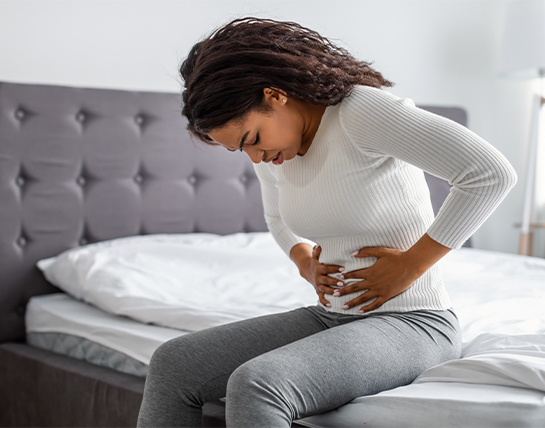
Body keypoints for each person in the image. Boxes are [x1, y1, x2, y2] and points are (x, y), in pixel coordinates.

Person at [137, 17, 517, 428]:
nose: (255, 158)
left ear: (276, 95)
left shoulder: (361, 112)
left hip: (414, 321)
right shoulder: (278, 149)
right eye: (239, 151)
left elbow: (489, 173)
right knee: (173, 363)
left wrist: (411, 265)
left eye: (251, 139)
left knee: (258, 383)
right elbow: (278, 216)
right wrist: (303, 259)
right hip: (330, 316)